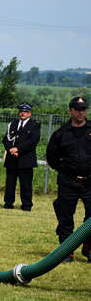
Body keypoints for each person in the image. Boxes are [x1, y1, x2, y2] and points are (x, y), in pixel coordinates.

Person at [46, 96, 91, 264]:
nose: (81, 112)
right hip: (68, 182)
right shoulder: (61, 133)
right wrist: (65, 171)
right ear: (70, 111)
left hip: (90, 182)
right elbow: (51, 156)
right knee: (65, 215)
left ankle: (89, 248)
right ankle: (66, 252)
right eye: (77, 109)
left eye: (84, 109)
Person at [2, 102, 41, 211]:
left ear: (30, 113)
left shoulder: (34, 125)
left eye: (25, 111)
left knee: (26, 184)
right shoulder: (12, 124)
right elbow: (6, 139)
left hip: (26, 159)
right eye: (21, 111)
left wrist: (18, 148)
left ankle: (26, 205)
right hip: (11, 158)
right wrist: (10, 149)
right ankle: (8, 203)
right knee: (10, 183)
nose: (23, 113)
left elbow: (33, 141)